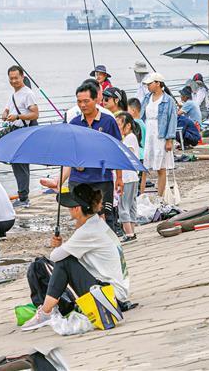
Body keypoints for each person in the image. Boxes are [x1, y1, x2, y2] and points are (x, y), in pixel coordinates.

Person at [20, 184, 129, 332]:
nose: (68, 209)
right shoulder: (96, 223)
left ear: (77, 209)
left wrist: (58, 246)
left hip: (109, 296)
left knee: (63, 262)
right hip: (116, 291)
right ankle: (48, 310)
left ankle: (45, 312)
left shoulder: (87, 231)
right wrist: (62, 245)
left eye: (70, 206)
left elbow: (55, 256)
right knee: (65, 260)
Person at [67, 83, 124, 234]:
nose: (82, 105)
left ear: (96, 100)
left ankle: (112, 249)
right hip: (78, 178)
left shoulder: (108, 121)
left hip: (102, 178)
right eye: (79, 102)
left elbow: (117, 149)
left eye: (86, 101)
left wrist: (119, 177)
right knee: (81, 217)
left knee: (106, 215)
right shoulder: (74, 123)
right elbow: (69, 151)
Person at [1, 65, 39, 208]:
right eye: (11, 78)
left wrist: (17, 116)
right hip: (14, 132)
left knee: (20, 164)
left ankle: (23, 198)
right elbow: (6, 109)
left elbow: (35, 114)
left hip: (23, 132)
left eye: (16, 77)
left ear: (23, 77)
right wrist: (5, 114)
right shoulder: (14, 95)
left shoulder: (27, 93)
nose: (14, 80)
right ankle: (23, 196)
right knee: (17, 164)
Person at [140, 72, 179, 204]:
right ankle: (141, 195)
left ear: (158, 83)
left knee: (161, 167)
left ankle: (160, 197)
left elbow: (172, 120)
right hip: (148, 131)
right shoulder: (147, 98)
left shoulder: (168, 100)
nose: (148, 86)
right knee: (145, 164)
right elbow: (141, 115)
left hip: (160, 134)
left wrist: (169, 140)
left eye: (150, 84)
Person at [114, 111, 142, 243]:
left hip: (127, 178)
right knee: (130, 205)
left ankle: (129, 234)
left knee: (123, 206)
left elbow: (128, 154)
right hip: (132, 177)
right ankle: (132, 232)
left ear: (128, 125)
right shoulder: (130, 137)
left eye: (119, 124)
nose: (117, 127)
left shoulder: (129, 138)